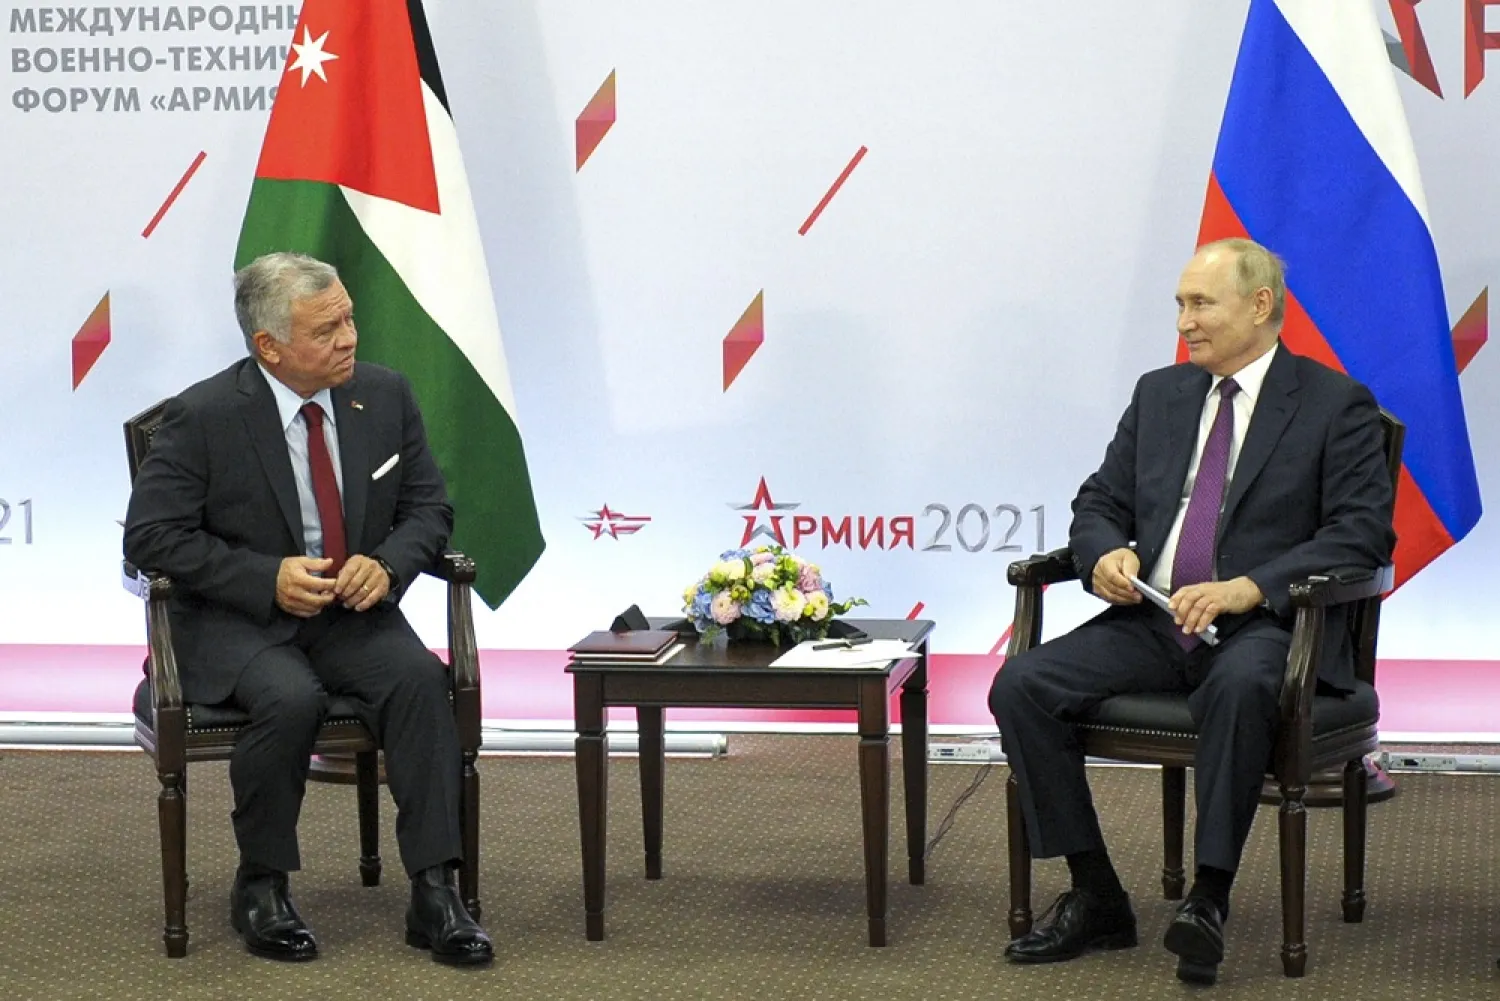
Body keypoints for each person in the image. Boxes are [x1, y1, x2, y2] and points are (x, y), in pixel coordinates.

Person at [988, 238, 1394, 985]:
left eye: (1200, 303)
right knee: (1021, 685)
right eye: (1180, 303)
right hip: (1155, 618)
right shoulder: (1161, 394)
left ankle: (1207, 898)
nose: (1184, 321)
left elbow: (1362, 533)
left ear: (1260, 306)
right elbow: (1099, 501)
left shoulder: (1335, 403)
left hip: (1268, 627)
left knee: (1240, 688)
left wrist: (1252, 586)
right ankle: (1096, 890)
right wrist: (1106, 553)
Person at [123, 252, 493, 966]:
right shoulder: (202, 416)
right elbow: (152, 538)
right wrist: (265, 578)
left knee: (419, 682)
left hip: (348, 616)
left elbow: (429, 508)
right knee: (289, 698)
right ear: (269, 346)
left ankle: (435, 890)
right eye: (327, 329)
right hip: (237, 624)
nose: (350, 337)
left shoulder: (384, 396)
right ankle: (261, 884)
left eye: (349, 317)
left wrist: (385, 565)